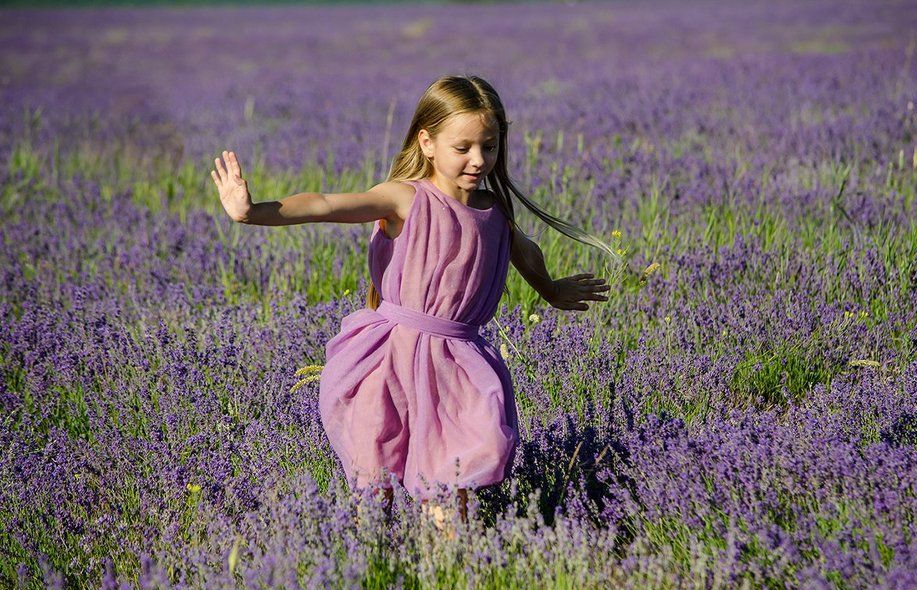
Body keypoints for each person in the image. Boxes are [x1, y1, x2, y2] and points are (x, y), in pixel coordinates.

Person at [212, 74, 618, 538]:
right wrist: (252, 211)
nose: (479, 159)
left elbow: (523, 250)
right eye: (462, 147)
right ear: (427, 142)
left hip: (459, 364)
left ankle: (449, 576)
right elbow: (325, 203)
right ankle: (377, 570)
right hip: (392, 359)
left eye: (489, 146)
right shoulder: (406, 198)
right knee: (376, 482)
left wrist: (550, 289)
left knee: (453, 484)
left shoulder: (494, 209)